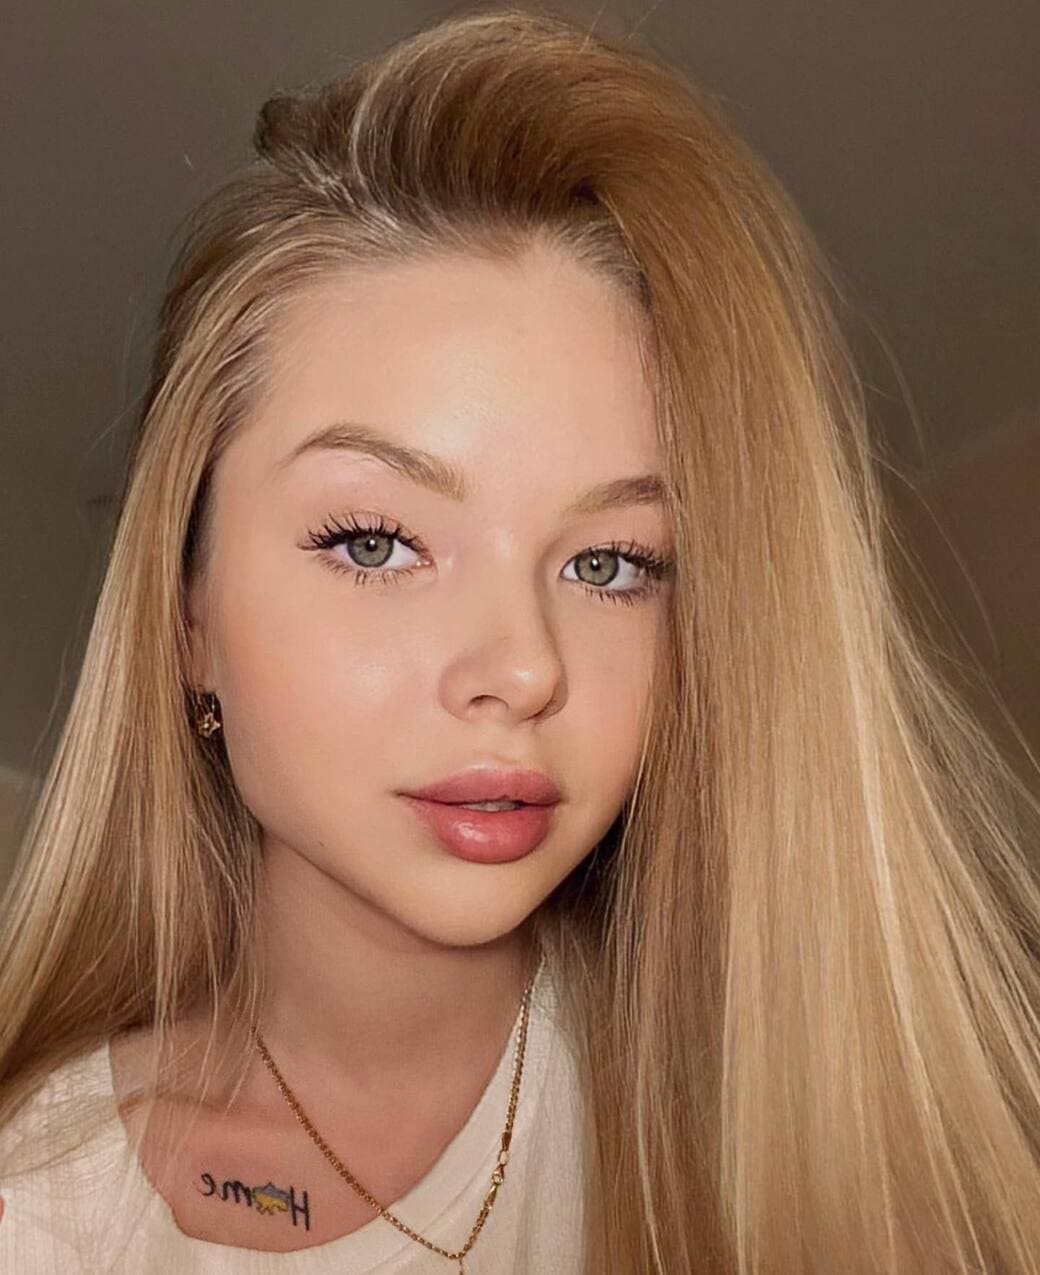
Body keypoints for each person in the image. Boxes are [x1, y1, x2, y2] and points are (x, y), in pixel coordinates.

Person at [3, 5, 1040, 1273]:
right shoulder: (35, 1204)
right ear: (188, 626)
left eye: (609, 565)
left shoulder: (833, 1155)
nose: (524, 668)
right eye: (375, 543)